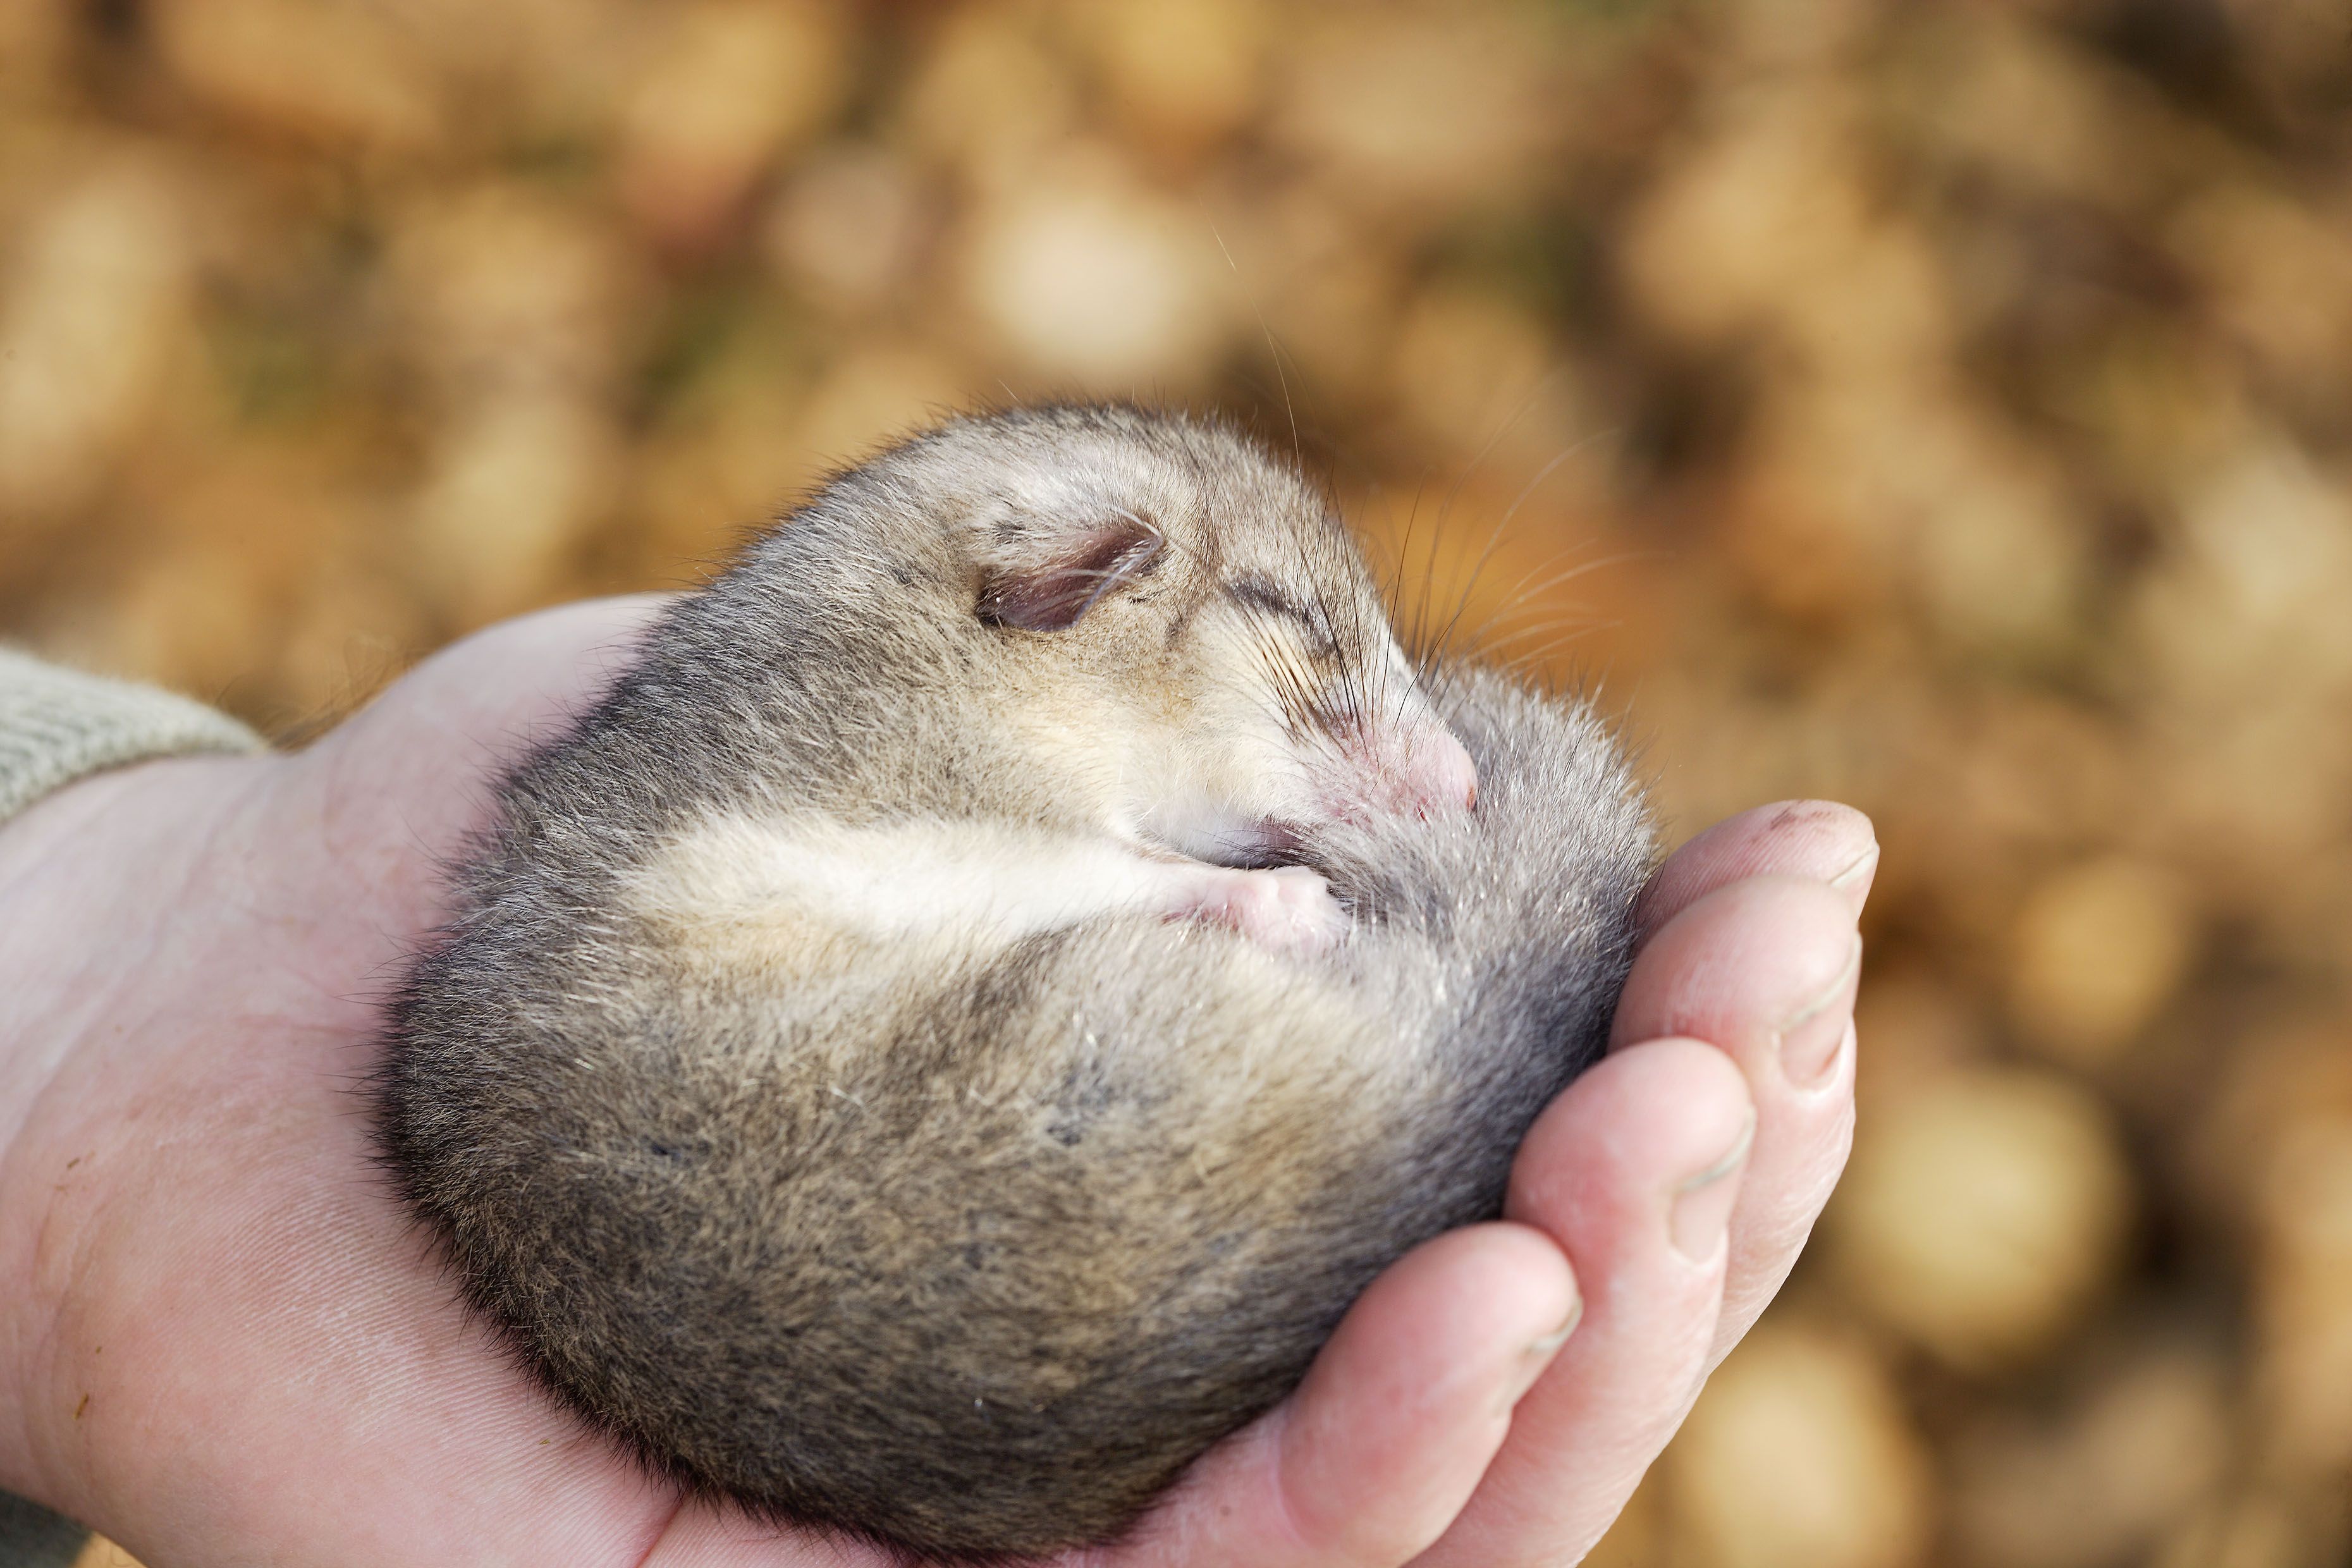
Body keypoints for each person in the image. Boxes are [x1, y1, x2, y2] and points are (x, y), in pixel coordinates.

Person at [0, 597, 1871, 1567]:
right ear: (1055, 587)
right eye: (1317, 657)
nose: (1446, 771)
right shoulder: (837, 759)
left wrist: (81, 913)